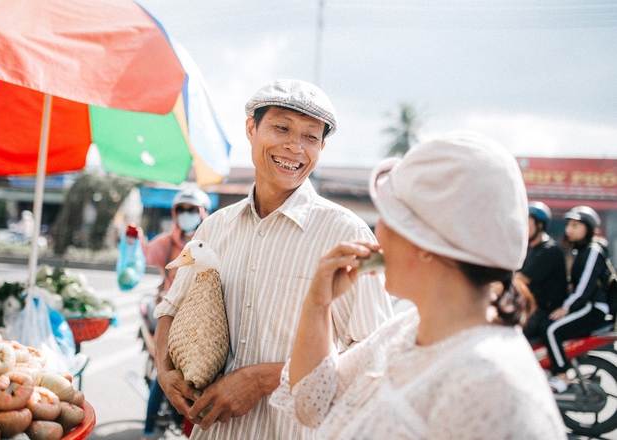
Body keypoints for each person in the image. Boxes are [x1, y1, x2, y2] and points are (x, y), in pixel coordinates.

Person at [271, 132, 566, 439]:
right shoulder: (409, 329)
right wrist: (318, 304)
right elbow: (311, 405)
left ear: (426, 242)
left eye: (387, 217)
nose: (376, 233)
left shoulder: (491, 384)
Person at [153, 79, 394, 440]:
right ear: (251, 128)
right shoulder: (215, 228)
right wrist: (164, 368)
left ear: (322, 146)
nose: (294, 147)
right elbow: (170, 309)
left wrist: (263, 378)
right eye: (281, 128)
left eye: (311, 137)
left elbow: (377, 360)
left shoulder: (348, 234)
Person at [141, 187, 211, 440]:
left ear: (203, 212)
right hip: (171, 319)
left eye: (191, 210)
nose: (185, 214)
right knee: (166, 374)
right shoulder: (167, 242)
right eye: (180, 209)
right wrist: (132, 241)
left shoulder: (214, 241)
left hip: (201, 321)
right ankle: (148, 430)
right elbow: (144, 256)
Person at [545, 205, 611, 393]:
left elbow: (584, 286)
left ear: (588, 229)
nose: (569, 230)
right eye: (569, 225)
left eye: (576, 225)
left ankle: (562, 375)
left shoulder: (593, 250)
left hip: (593, 307)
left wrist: (566, 307)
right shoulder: (580, 250)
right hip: (585, 305)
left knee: (550, 329)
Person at [516, 201, 568, 341]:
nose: (524, 228)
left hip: (543, 313)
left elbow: (520, 279)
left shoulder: (549, 250)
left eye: (528, 223)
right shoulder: (530, 249)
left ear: (540, 225)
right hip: (529, 309)